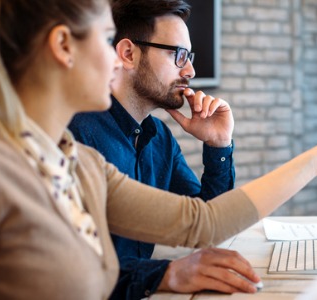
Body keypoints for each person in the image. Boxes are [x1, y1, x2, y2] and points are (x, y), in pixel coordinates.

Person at [0, 0, 317, 299]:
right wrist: (163, 275)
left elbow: (205, 222)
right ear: (64, 46)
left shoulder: (75, 164)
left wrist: (312, 158)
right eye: (104, 39)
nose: (113, 57)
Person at [67, 0, 238, 298]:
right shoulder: (75, 136)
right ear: (129, 54)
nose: (191, 71)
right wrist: (165, 273)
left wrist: (218, 144)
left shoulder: (159, 137)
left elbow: (210, 224)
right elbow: (73, 268)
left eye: (190, 56)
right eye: (179, 55)